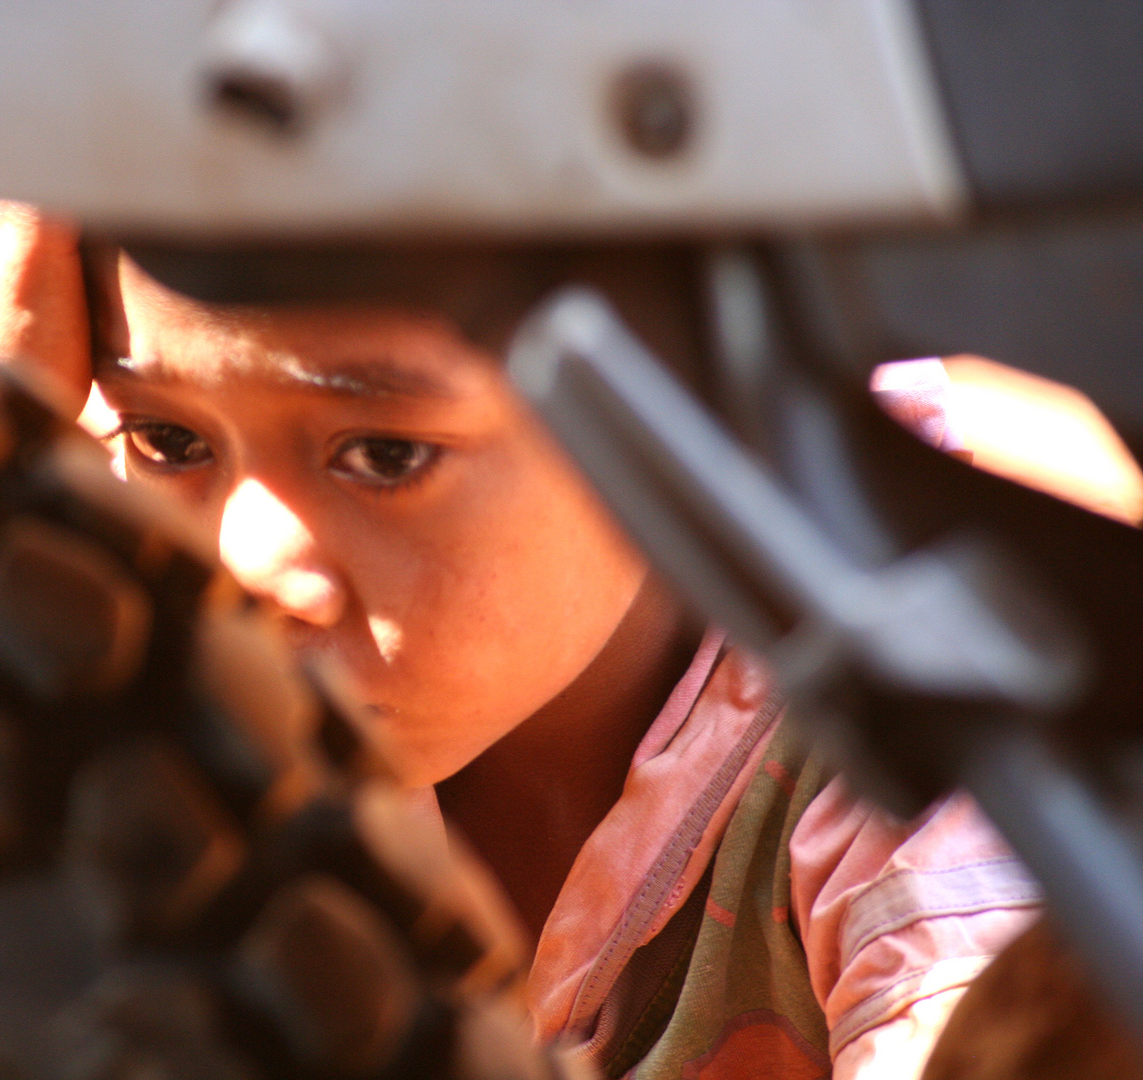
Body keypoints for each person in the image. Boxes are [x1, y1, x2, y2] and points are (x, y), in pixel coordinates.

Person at [84, 247, 1057, 1080]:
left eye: (383, 454)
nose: (242, 564)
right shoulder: (108, 649)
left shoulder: (929, 748)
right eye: (167, 440)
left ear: (683, 390)